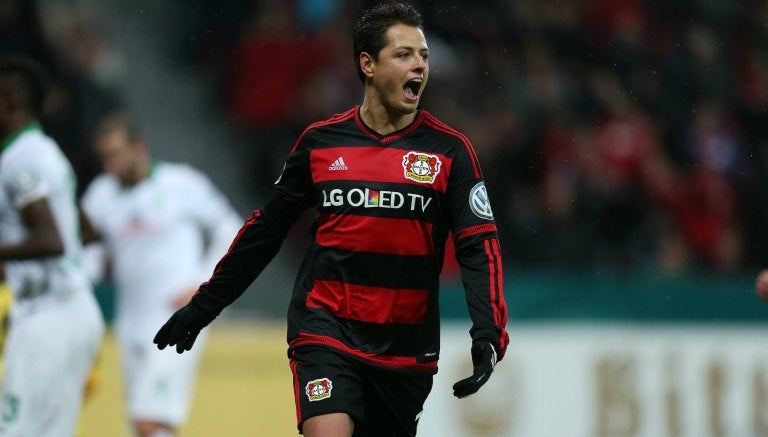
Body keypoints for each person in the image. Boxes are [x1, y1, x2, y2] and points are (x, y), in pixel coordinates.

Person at [154, 3, 509, 436]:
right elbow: (266, 231)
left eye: (424, 55)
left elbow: (479, 247)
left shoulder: (451, 151)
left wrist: (488, 334)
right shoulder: (320, 144)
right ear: (368, 64)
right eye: (404, 54)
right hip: (325, 327)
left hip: (403, 349)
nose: (419, 64)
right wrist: (205, 306)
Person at [80, 113, 243, 437]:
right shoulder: (100, 195)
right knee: (146, 425)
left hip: (177, 318)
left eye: (115, 155)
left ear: (139, 147)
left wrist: (203, 283)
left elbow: (231, 228)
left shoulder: (182, 183)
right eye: (104, 158)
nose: (109, 165)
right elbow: (94, 255)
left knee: (148, 420)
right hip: (131, 322)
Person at [0, 55, 105, 437]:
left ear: (8, 100)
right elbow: (86, 230)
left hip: (46, 315)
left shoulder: (18, 159)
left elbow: (50, 239)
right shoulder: (48, 152)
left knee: (14, 430)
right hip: (77, 310)